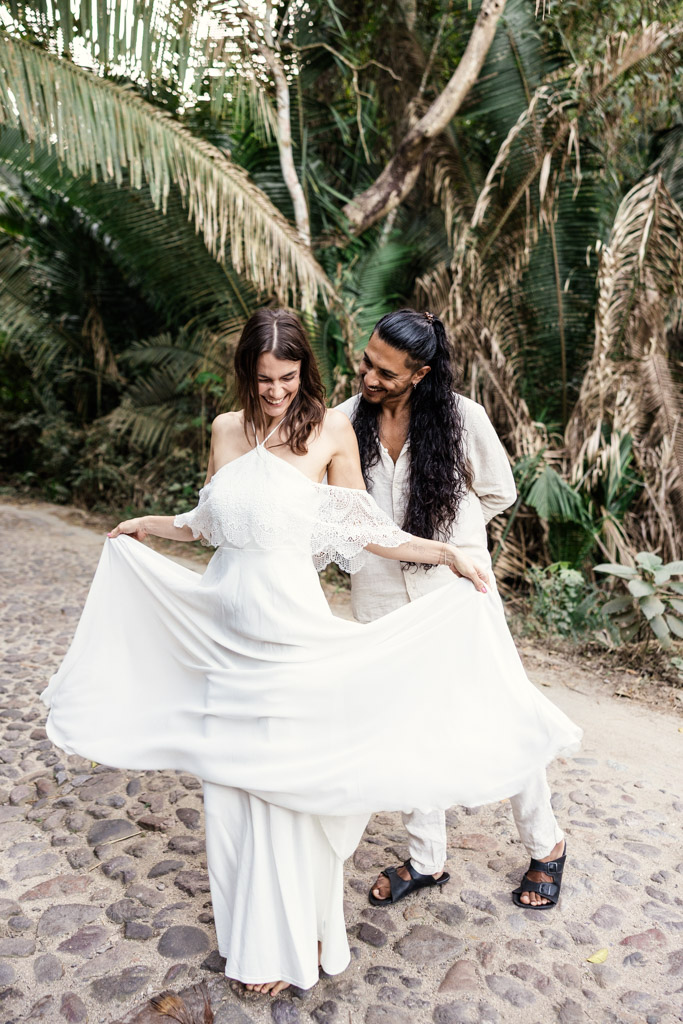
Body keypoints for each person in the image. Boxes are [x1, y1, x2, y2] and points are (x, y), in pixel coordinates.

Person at [41, 308, 581, 998]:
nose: (274, 391)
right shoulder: (231, 430)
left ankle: (295, 939)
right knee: (230, 789)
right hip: (228, 634)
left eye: (287, 377)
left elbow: (370, 529)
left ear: (304, 373)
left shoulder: (336, 428)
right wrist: (146, 526)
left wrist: (448, 551)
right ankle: (257, 934)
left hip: (312, 624)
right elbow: (208, 521)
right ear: (246, 374)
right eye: (264, 379)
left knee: (301, 784)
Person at [336, 308, 567, 910]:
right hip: (380, 596)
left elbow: (498, 491)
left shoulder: (464, 418)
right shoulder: (342, 422)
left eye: (386, 371)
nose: (369, 376)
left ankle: (547, 846)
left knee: (501, 715)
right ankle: (425, 859)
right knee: (409, 724)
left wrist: (454, 540)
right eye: (367, 361)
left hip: (458, 595)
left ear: (421, 373)